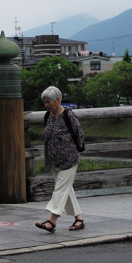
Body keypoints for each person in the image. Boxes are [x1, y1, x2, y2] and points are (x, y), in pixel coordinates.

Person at [35, 86, 86, 233]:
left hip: (69, 158)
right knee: (66, 189)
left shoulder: (68, 115)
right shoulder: (47, 117)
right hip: (53, 160)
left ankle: (52, 221)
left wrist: (75, 150)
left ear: (58, 100)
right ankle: (79, 219)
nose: (46, 105)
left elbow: (79, 134)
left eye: (48, 102)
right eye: (44, 102)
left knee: (60, 189)